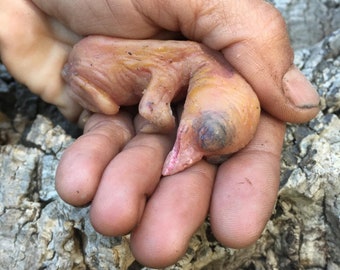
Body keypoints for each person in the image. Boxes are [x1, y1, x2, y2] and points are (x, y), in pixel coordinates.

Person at [0, 0, 320, 268]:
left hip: (81, 47)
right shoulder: (174, 68)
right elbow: (152, 109)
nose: (196, 154)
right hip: (82, 72)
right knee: (108, 107)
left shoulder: (197, 64)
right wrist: (167, 127)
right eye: (199, 141)